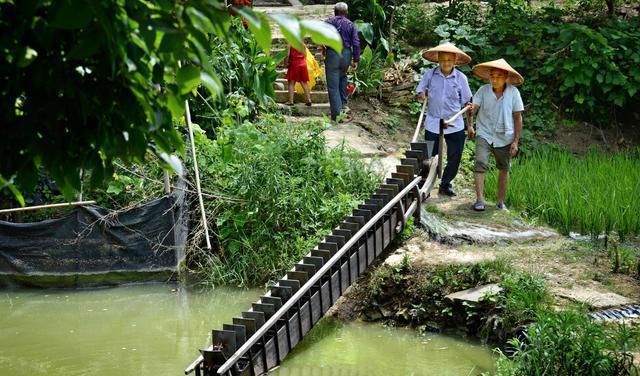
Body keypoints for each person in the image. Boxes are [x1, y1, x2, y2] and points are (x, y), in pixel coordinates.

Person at [415, 43, 473, 197]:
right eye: (443, 59)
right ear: (438, 60)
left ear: (454, 60)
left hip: (454, 123)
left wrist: (470, 125)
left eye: (449, 60)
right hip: (433, 122)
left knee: (455, 156)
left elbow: (468, 103)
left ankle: (445, 184)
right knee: (429, 156)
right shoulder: (430, 74)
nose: (446, 63)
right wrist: (421, 95)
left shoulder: (461, 78)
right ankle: (424, 182)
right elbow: (420, 91)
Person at [468, 58, 524, 211]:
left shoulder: (513, 93)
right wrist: (470, 120)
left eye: (499, 76)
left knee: (504, 168)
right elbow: (474, 108)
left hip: (505, 136)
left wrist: (515, 141)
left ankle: (500, 202)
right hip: (485, 133)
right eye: (492, 75)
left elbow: (518, 118)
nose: (495, 79)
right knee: (480, 162)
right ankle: (479, 200)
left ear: (505, 77)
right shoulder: (483, 90)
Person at [325, 2, 360, 122]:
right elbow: (356, 43)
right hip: (346, 54)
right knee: (342, 78)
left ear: (335, 11)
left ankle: (337, 116)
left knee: (333, 86)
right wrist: (356, 59)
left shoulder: (328, 22)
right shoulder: (351, 25)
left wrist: (324, 46)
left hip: (333, 53)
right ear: (346, 12)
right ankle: (343, 107)